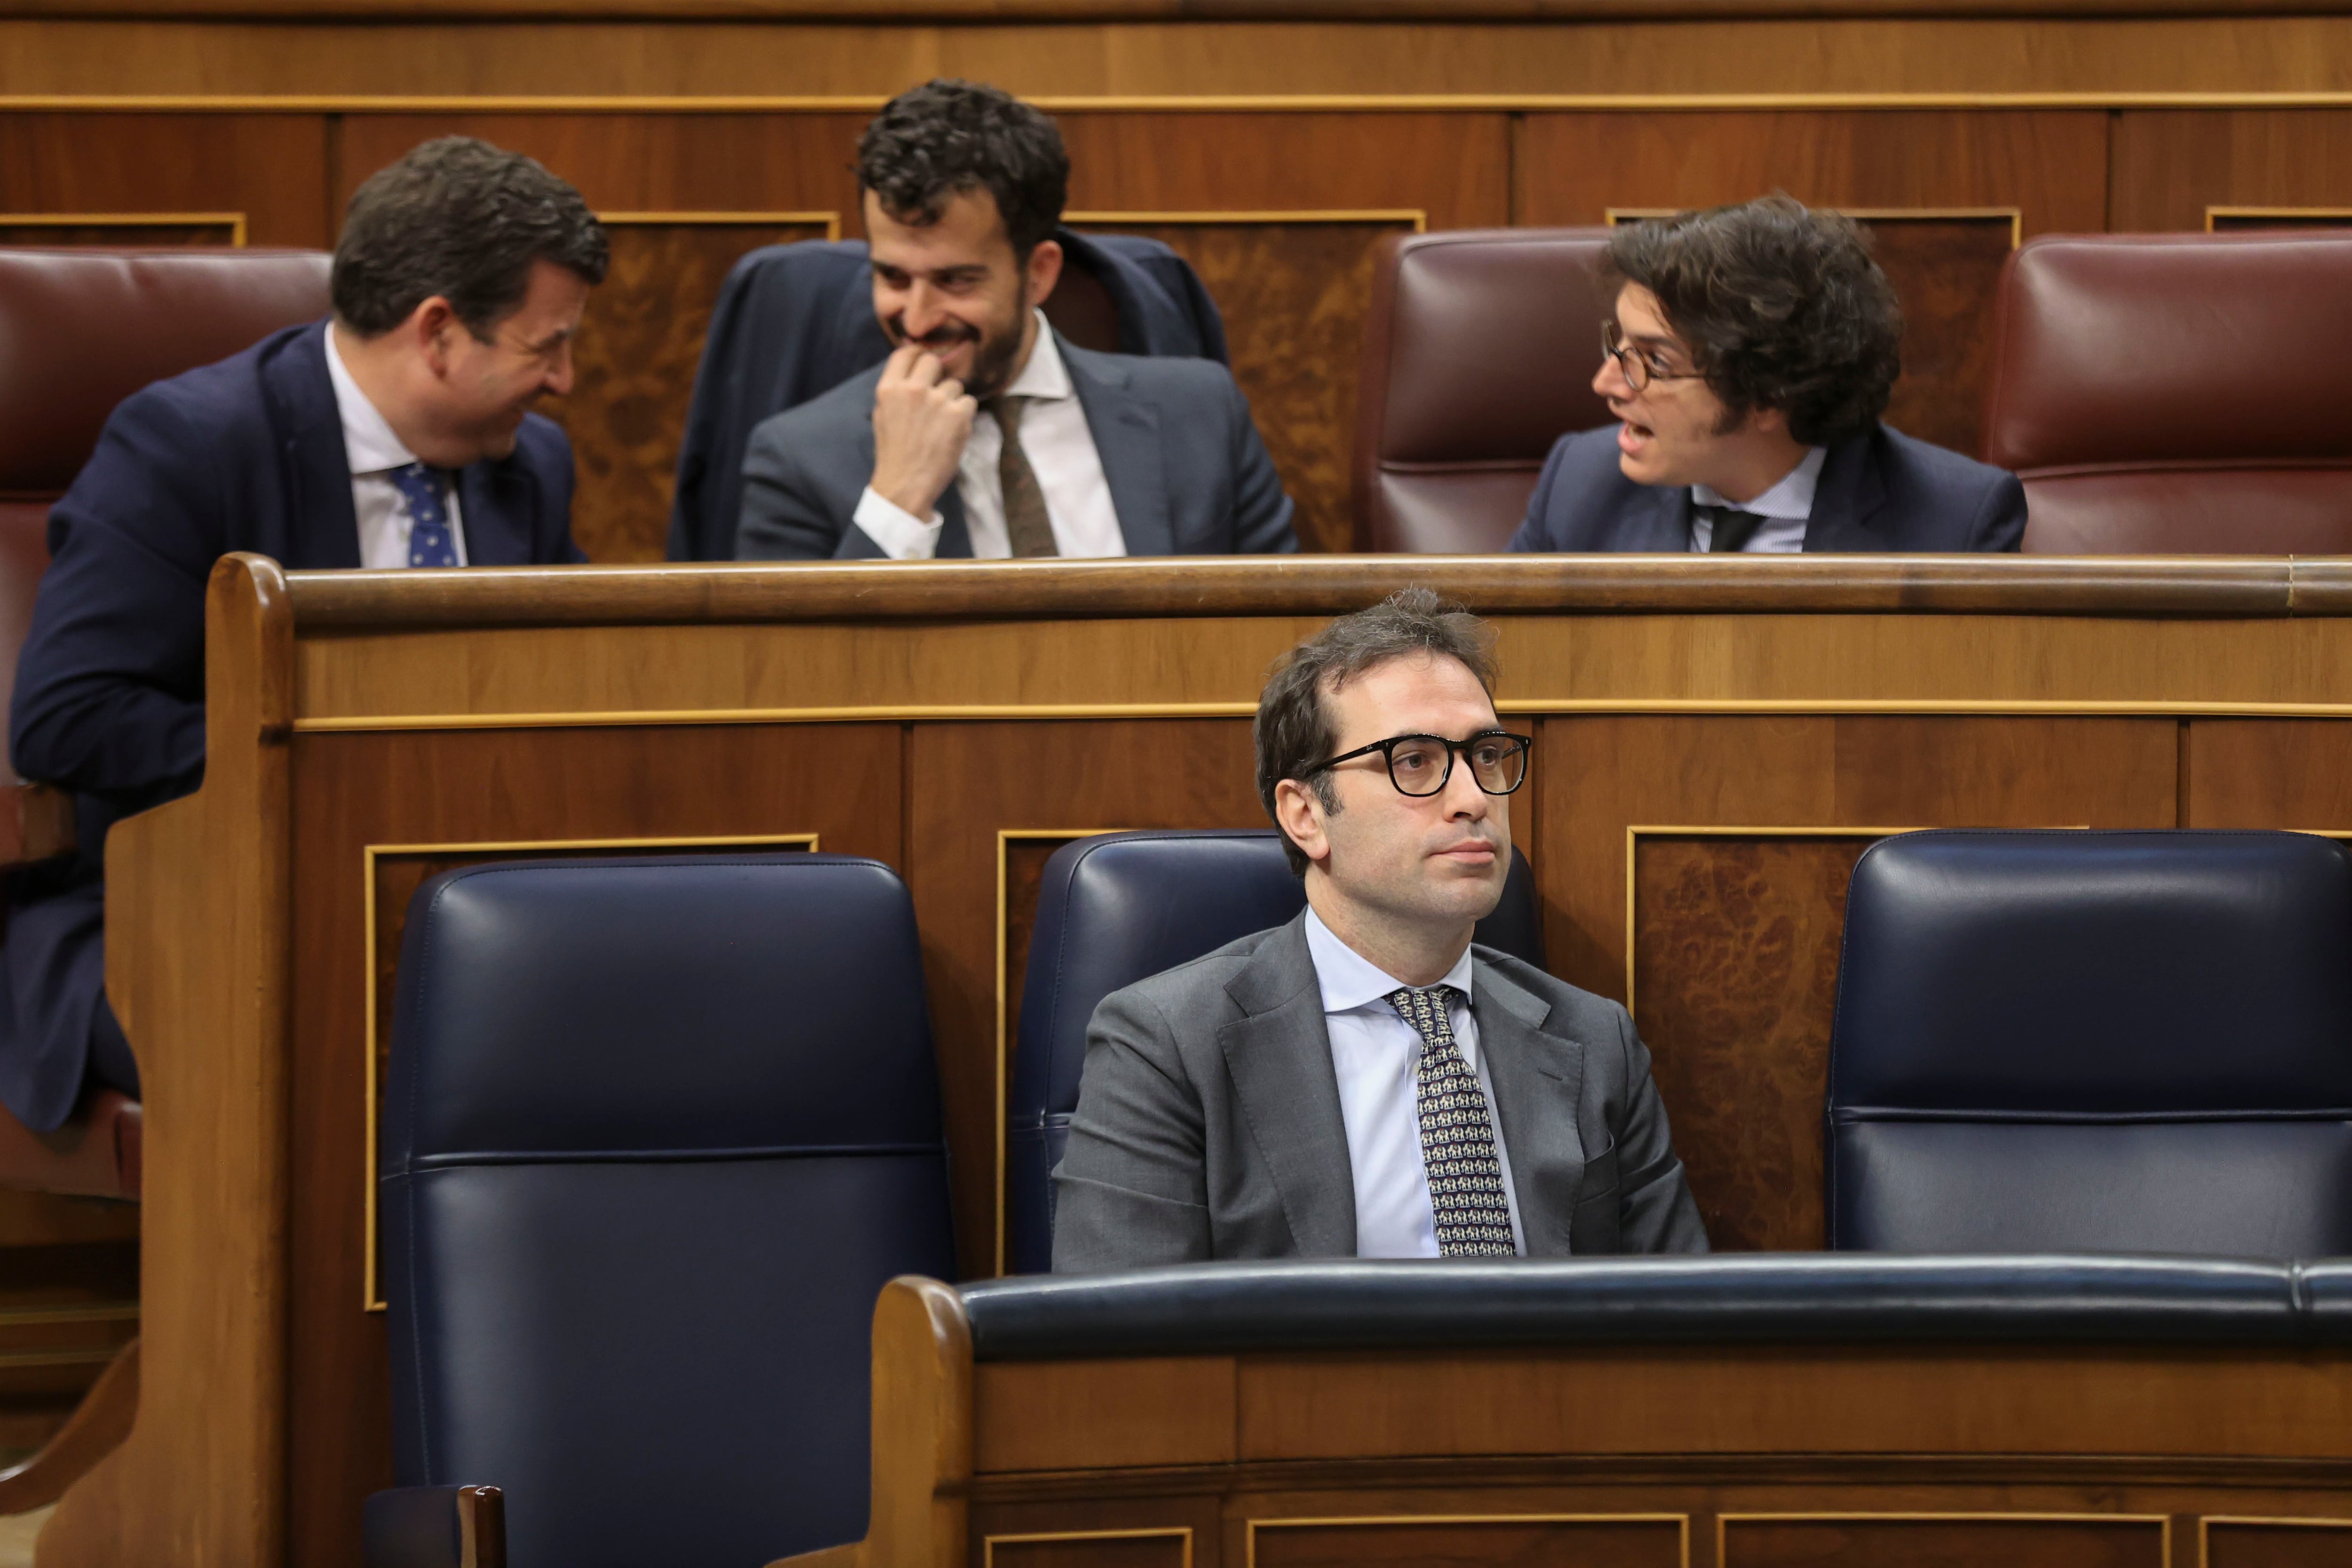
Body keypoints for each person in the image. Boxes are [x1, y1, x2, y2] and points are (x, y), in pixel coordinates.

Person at [3, 135, 606, 1136]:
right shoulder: (189, 446)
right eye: (547, 347)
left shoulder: (529, 466)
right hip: (195, 909)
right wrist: (345, 757)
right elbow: (70, 721)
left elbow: (572, 686)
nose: (567, 381)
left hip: (466, 911)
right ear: (440, 331)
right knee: (427, 1033)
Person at [1052, 588, 1707, 1270]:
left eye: (1486, 755)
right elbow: (1121, 1352)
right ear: (1305, 814)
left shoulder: (1595, 1041)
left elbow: (1683, 1324)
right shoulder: (1165, 1047)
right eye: (1415, 760)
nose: (1474, 799)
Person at [735, 79, 1297, 561]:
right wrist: (897, 500)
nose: (918, 319)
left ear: (1039, 273)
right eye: (893, 278)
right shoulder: (798, 459)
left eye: (956, 281)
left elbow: (1290, 645)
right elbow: (800, 680)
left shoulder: (1199, 413)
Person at [1511, 196, 2026, 555]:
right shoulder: (1578, 484)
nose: (1606, 383)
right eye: (1617, 344)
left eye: (1653, 362)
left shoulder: (1956, 522)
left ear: (1767, 395)